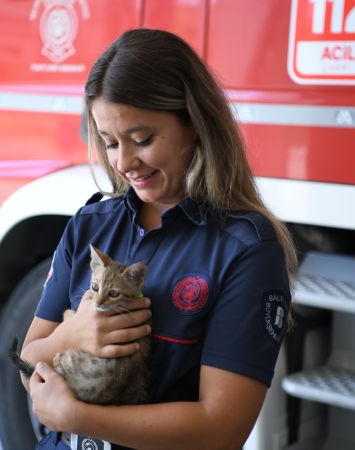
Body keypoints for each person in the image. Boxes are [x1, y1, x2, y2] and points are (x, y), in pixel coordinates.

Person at [19, 28, 297, 450]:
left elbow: (221, 429)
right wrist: (72, 336)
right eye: (110, 143)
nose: (125, 162)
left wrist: (80, 417)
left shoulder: (244, 250)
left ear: (193, 122)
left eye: (142, 139)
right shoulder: (91, 224)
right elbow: (27, 363)